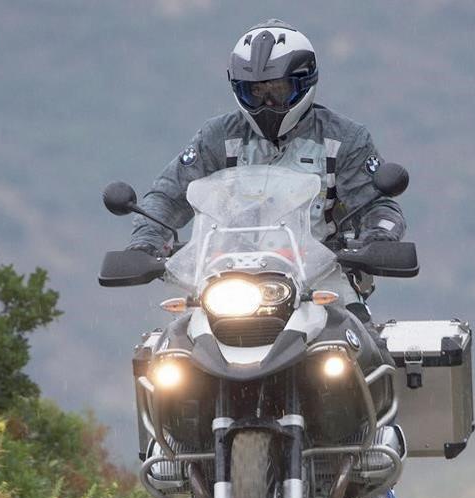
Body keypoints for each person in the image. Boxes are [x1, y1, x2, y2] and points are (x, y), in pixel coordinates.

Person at [127, 18, 408, 323]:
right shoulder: (218, 137)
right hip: (226, 283)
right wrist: (146, 241)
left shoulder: (344, 139)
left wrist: (379, 237)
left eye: (278, 89)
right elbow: (168, 197)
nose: (268, 102)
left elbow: (379, 205)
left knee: (362, 342)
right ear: (239, 89)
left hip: (322, 279)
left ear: (304, 83)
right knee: (169, 351)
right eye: (256, 92)